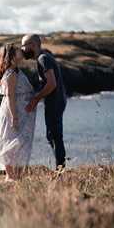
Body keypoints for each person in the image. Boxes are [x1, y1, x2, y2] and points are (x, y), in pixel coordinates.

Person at [0, 43, 37, 181]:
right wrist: (14, 117)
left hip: (21, 112)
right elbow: (10, 97)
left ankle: (14, 176)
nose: (21, 51)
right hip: (14, 113)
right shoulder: (11, 74)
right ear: (11, 57)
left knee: (16, 143)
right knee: (10, 143)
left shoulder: (16, 71)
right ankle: (11, 177)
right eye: (17, 50)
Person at [21, 34, 67, 170]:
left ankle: (60, 170)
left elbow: (52, 84)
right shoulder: (44, 56)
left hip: (55, 102)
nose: (22, 49)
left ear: (33, 45)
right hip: (58, 100)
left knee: (54, 136)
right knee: (53, 135)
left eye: (24, 45)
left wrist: (36, 99)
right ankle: (60, 168)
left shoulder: (43, 59)